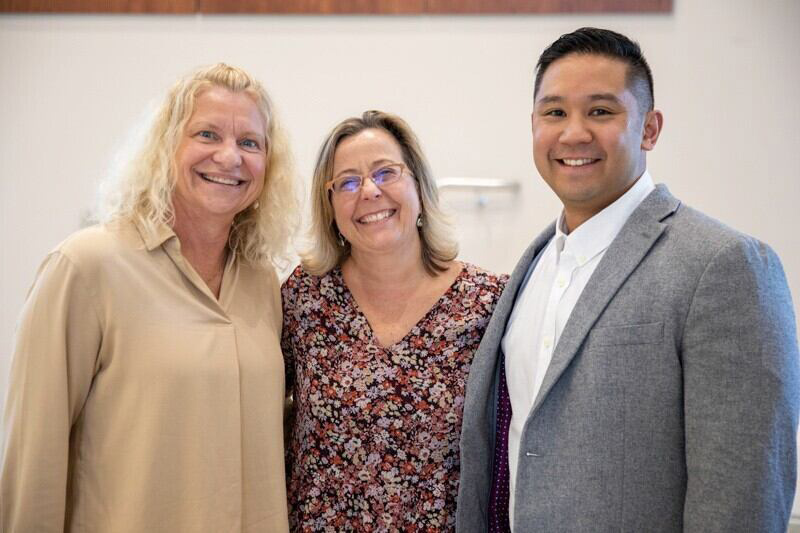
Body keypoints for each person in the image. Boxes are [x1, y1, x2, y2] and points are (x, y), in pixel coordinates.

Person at [456, 27, 800, 533]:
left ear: (649, 128)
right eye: (554, 113)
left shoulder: (725, 265)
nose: (573, 133)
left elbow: (741, 497)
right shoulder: (531, 266)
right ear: (533, 126)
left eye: (600, 111)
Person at [0, 63, 297, 532]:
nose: (229, 157)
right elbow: (35, 457)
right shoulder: (86, 266)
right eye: (206, 134)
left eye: (249, 143)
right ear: (166, 147)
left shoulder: (262, 282)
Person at [281, 110, 507, 531]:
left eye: (386, 172)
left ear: (419, 185)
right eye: (346, 182)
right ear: (330, 207)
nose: (369, 191)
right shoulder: (305, 298)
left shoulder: (488, 303)